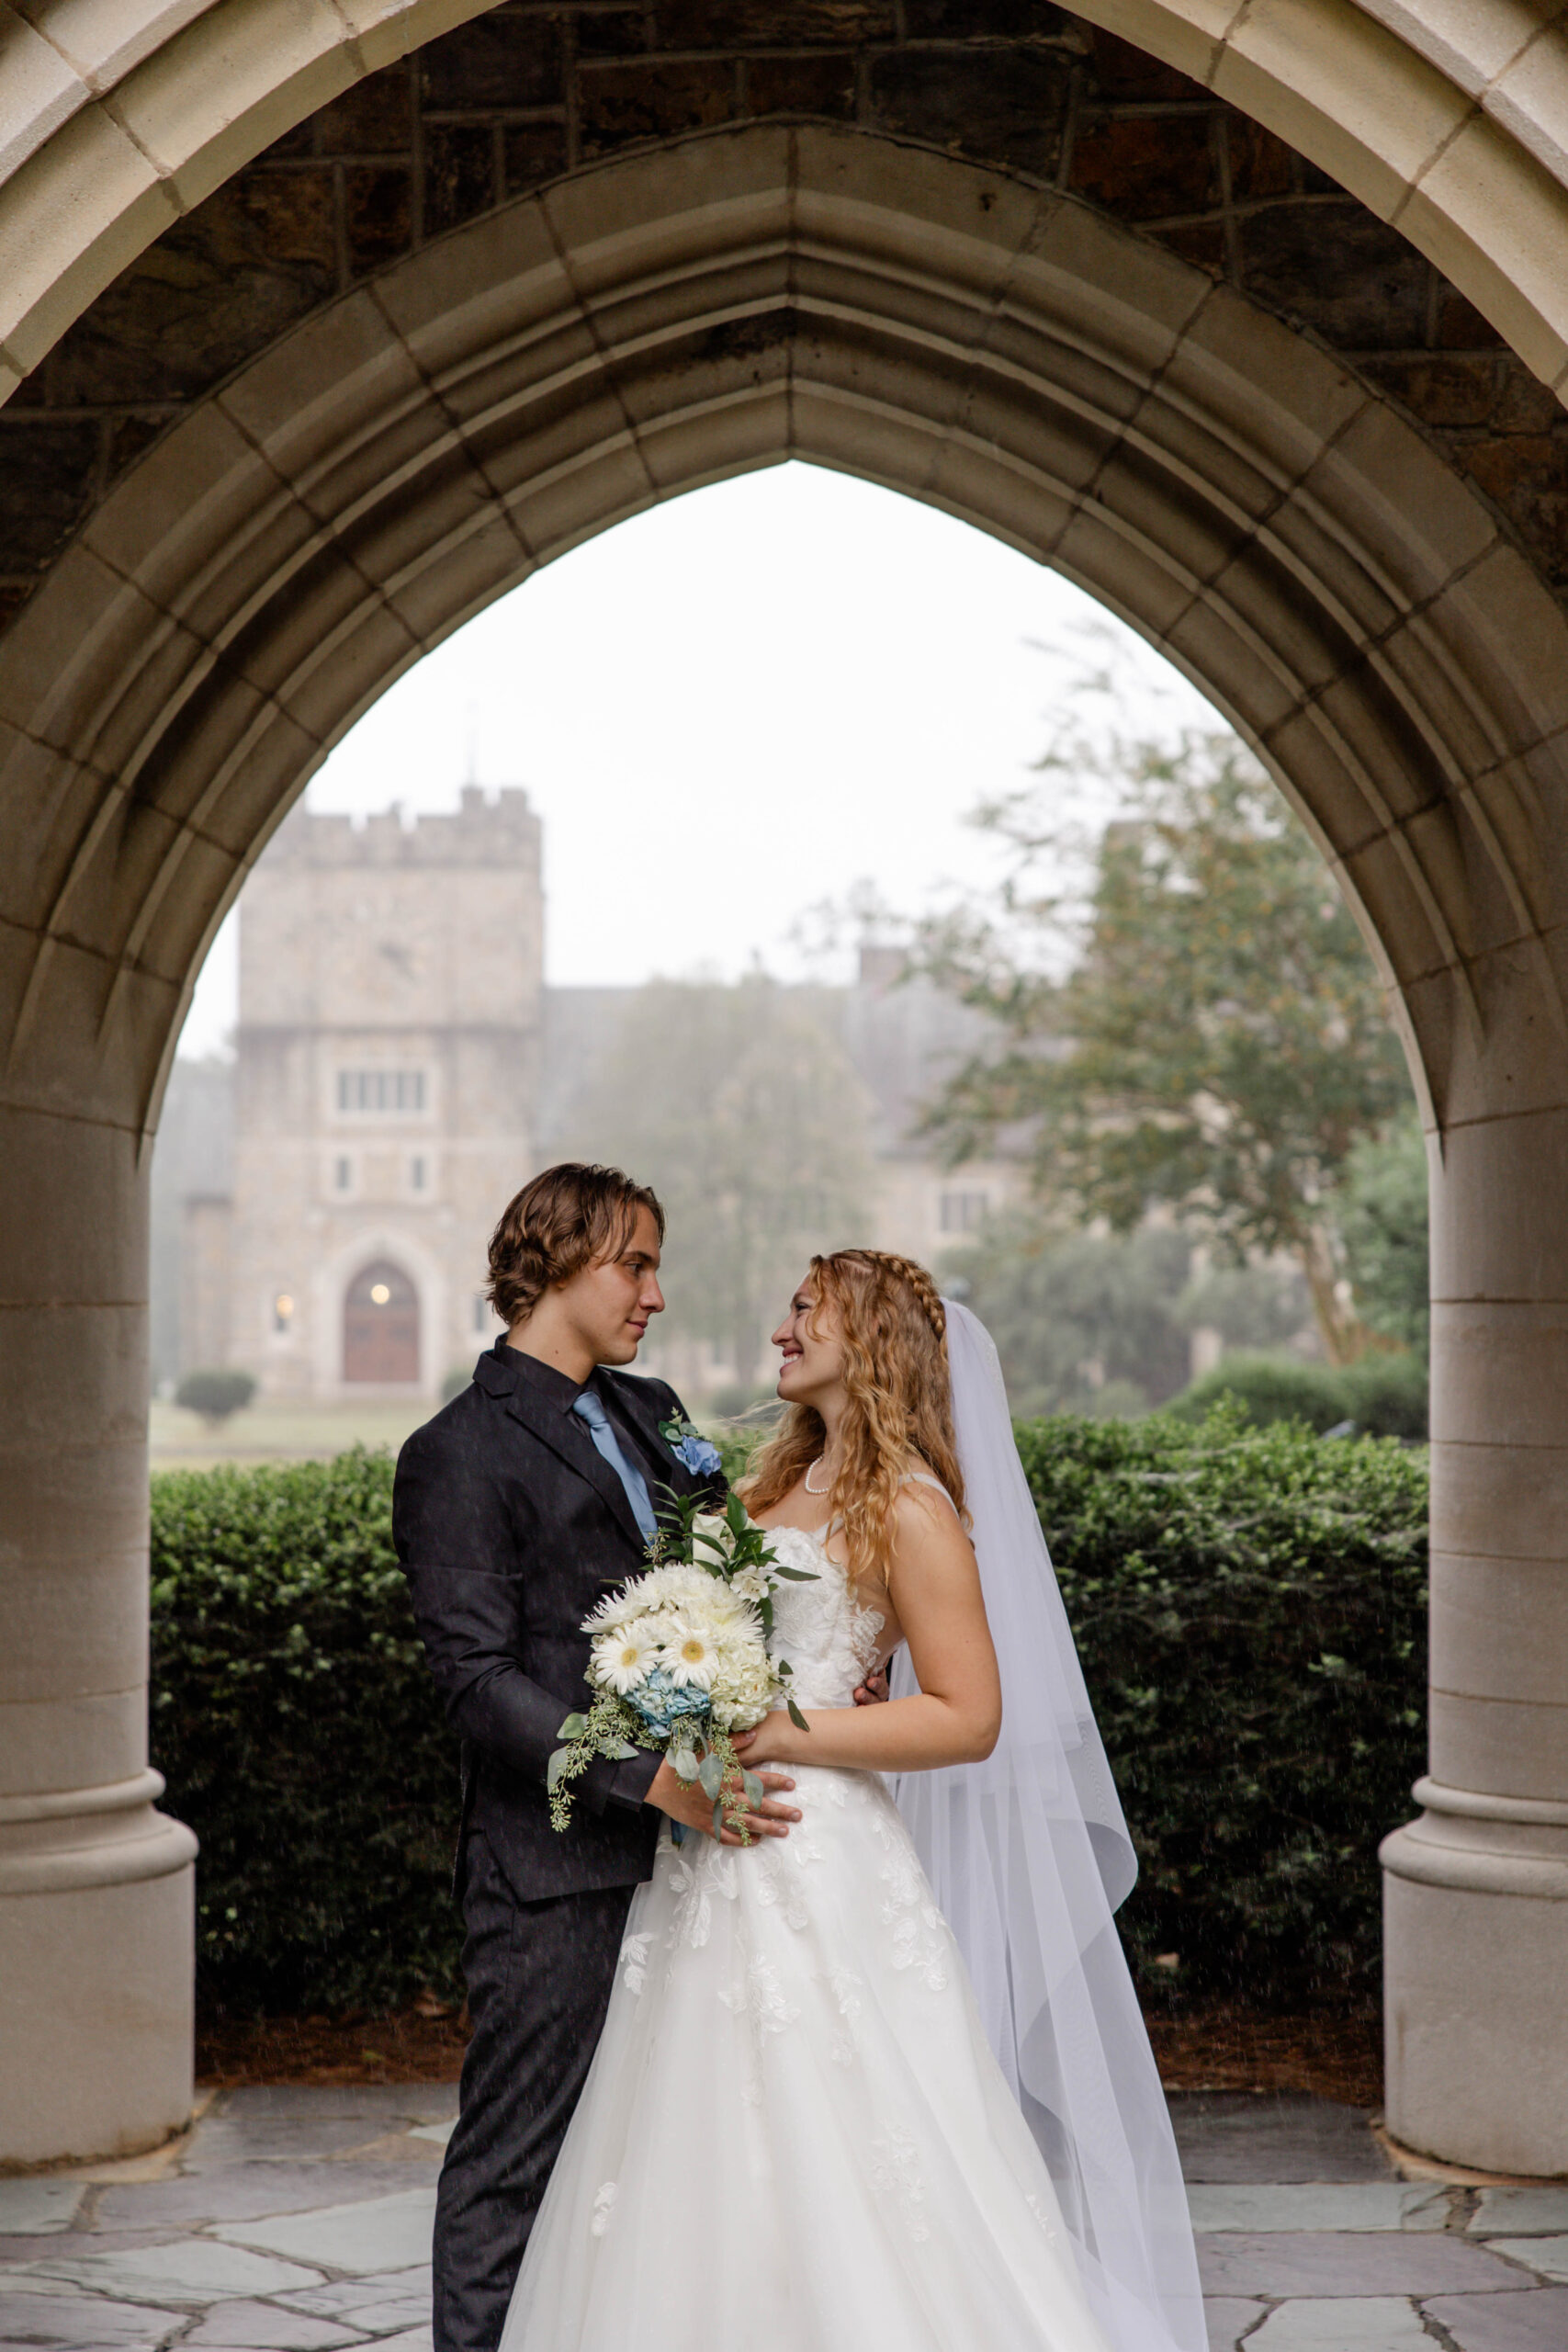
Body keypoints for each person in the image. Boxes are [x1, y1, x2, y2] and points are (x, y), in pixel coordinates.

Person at [500, 1249, 1204, 2352]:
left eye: (805, 1312)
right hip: (707, 1845)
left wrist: (789, 1727)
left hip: (821, 1854)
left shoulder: (913, 1507)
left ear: (868, 1340)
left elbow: (970, 1714)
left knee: (846, 2133)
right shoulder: (763, 1486)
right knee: (693, 2138)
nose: (782, 1332)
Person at [394, 1164, 803, 2352]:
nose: (655, 1296)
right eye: (635, 1265)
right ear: (556, 1259)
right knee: (516, 2168)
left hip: (704, 1874)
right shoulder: (456, 1454)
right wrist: (648, 1782)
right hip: (554, 1875)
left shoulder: (658, 1406)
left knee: (663, 2168)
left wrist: (818, 1654)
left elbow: (738, 1559)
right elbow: (476, 1685)